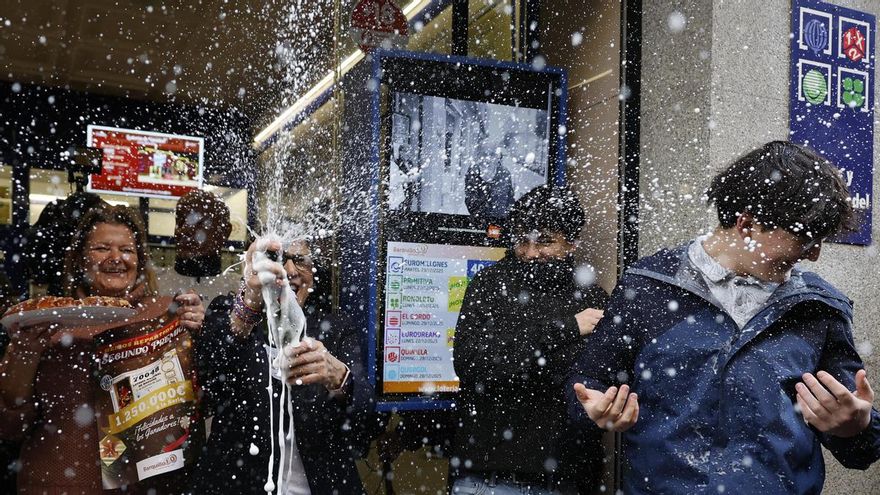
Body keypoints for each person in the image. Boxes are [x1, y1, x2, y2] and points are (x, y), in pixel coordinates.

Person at [568, 141, 880, 494]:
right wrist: (595, 409)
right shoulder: (647, 287)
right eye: (805, 240)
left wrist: (857, 426)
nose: (815, 255)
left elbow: (861, 448)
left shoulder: (820, 306)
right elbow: (586, 384)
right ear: (746, 225)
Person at [0, 205, 206, 494]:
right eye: (101, 248)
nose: (116, 259)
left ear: (140, 260)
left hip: (150, 486)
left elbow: (199, 399)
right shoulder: (49, 321)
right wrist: (24, 351)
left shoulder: (165, 315)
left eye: (127, 250)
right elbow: (10, 424)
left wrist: (201, 331)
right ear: (80, 259)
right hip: (57, 483)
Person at [190, 236, 381, 494]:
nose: (290, 271)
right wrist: (249, 303)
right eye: (277, 260)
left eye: (300, 261)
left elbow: (368, 419)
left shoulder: (335, 329)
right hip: (238, 483)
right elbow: (210, 381)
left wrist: (339, 378)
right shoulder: (229, 313)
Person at [451, 185, 609, 494]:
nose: (532, 252)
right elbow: (471, 362)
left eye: (545, 241)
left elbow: (597, 381)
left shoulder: (592, 297)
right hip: (490, 478)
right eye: (524, 240)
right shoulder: (490, 284)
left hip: (567, 478)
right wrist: (565, 330)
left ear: (572, 243)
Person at [155, 189, 239, 302]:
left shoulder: (242, 293)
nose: (184, 229)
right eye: (180, 221)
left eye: (198, 222)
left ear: (223, 233)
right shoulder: (151, 284)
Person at [464, 143, 515, 218]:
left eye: (492, 155)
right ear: (479, 157)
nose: (488, 158)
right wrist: (482, 217)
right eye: (484, 155)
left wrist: (506, 215)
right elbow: (470, 199)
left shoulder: (505, 173)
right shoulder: (473, 172)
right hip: (480, 221)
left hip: (501, 220)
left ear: (497, 157)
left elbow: (510, 198)